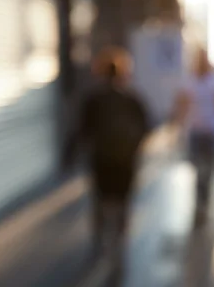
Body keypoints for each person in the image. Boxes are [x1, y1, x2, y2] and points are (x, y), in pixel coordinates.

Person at [63, 47, 150, 265]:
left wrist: (70, 154)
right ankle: (119, 243)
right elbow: (145, 127)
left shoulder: (94, 99)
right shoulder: (132, 98)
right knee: (122, 202)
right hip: (125, 160)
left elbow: (81, 130)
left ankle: (100, 242)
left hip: (101, 159)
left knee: (101, 201)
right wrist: (134, 148)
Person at [173, 50, 214, 226]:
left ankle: (203, 203)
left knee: (207, 170)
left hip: (209, 131)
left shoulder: (212, 81)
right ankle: (202, 203)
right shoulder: (193, 81)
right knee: (201, 170)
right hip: (200, 132)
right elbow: (182, 105)